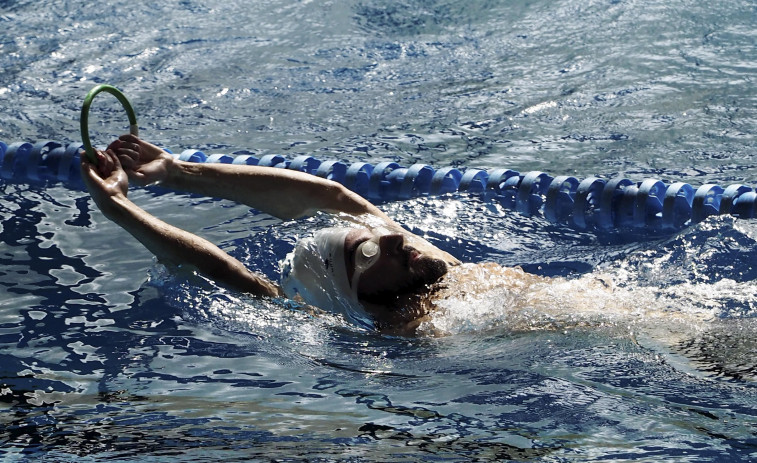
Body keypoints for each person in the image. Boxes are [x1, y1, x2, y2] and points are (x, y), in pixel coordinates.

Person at [81, 134, 550, 334]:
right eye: (364, 251)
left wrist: (178, 171)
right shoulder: (395, 335)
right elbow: (219, 268)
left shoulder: (435, 268)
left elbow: (332, 195)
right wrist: (117, 206)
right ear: (354, 298)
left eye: (371, 234)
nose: (390, 238)